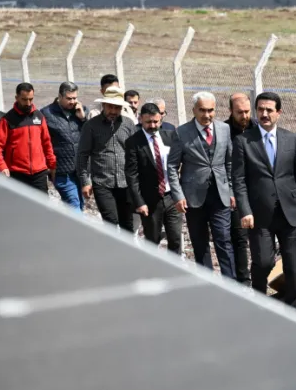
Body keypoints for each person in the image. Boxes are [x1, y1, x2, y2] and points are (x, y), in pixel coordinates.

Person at [232, 91, 296, 308]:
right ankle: (259, 302)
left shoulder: (291, 138)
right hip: (259, 214)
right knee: (263, 261)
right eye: (260, 109)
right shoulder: (243, 141)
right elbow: (238, 180)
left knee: (293, 265)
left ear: (278, 112)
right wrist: (245, 210)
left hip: (291, 211)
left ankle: (291, 309)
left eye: (269, 110)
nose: (264, 114)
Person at [167, 91, 236, 278]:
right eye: (202, 110)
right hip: (193, 197)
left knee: (224, 240)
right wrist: (178, 195)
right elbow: (172, 166)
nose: (207, 115)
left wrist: (230, 190)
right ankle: (207, 283)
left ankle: (231, 286)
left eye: (211, 110)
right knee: (200, 242)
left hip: (219, 195)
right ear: (194, 110)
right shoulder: (182, 132)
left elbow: (229, 162)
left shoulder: (224, 129)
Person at [126, 102, 183, 254]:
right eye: (148, 122)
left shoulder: (170, 137)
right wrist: (139, 202)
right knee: (153, 239)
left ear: (161, 120)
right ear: (140, 120)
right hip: (150, 200)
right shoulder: (133, 142)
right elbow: (132, 175)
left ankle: (174, 272)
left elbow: (180, 162)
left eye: (156, 121)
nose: (152, 125)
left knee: (175, 238)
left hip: (172, 196)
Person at [76, 90, 137, 231]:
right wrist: (85, 181)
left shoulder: (128, 124)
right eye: (110, 107)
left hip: (126, 183)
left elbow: (135, 153)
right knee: (110, 221)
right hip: (102, 182)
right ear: (103, 105)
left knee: (127, 224)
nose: (113, 111)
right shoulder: (91, 126)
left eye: (117, 108)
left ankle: (125, 252)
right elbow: (82, 155)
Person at [0, 82, 57, 193]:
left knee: (42, 208)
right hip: (17, 174)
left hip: (39, 174)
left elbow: (47, 143)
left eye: (31, 99)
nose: (28, 103)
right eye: (24, 99)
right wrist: (2, 166)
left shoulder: (39, 117)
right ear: (16, 98)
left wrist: (52, 165)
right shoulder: (7, 120)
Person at [225, 92, 257, 284]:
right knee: (239, 237)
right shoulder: (224, 130)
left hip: (258, 190)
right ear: (231, 111)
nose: (244, 116)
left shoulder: (257, 128)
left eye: (247, 112)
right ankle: (243, 280)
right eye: (239, 112)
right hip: (236, 192)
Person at [41, 81, 86, 211]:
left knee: (80, 205)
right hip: (61, 171)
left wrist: (83, 119)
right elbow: (43, 141)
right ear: (60, 96)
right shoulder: (46, 113)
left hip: (81, 170)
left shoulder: (80, 111)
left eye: (74, 98)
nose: (72, 101)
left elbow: (89, 136)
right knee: (74, 204)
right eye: (69, 98)